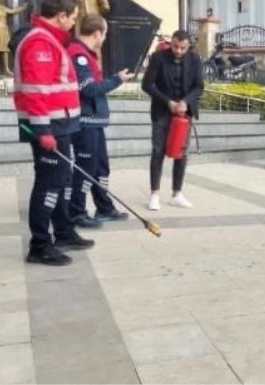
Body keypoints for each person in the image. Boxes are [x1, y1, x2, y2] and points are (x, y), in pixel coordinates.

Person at [15, 0, 93, 266]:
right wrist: (43, 130)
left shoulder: (51, 40)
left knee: (60, 179)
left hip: (60, 123)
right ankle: (39, 244)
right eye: (72, 17)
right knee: (51, 181)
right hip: (50, 126)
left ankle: (63, 231)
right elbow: (37, 91)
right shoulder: (40, 43)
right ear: (60, 16)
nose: (73, 23)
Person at [67, 14, 134, 228]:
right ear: (96, 33)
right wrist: (117, 80)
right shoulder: (79, 55)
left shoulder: (86, 54)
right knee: (86, 168)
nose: (104, 38)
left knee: (100, 167)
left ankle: (104, 207)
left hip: (93, 121)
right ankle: (76, 212)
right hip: (84, 121)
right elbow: (87, 89)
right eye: (104, 34)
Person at [141, 30, 203, 211]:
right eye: (175, 46)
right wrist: (168, 102)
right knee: (158, 151)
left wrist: (185, 102)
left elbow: (199, 86)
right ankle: (154, 194)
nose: (179, 51)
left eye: (183, 48)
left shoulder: (195, 59)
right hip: (162, 110)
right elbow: (147, 85)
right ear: (171, 43)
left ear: (188, 46)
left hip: (184, 113)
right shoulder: (158, 58)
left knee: (181, 153)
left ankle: (177, 193)